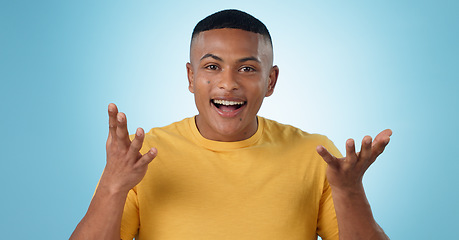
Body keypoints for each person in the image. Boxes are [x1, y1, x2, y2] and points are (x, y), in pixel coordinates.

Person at [70, 9, 391, 240]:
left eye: (248, 69)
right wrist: (113, 186)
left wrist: (348, 192)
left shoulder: (314, 154)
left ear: (271, 80)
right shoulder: (142, 156)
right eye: (212, 66)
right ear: (191, 77)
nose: (228, 83)